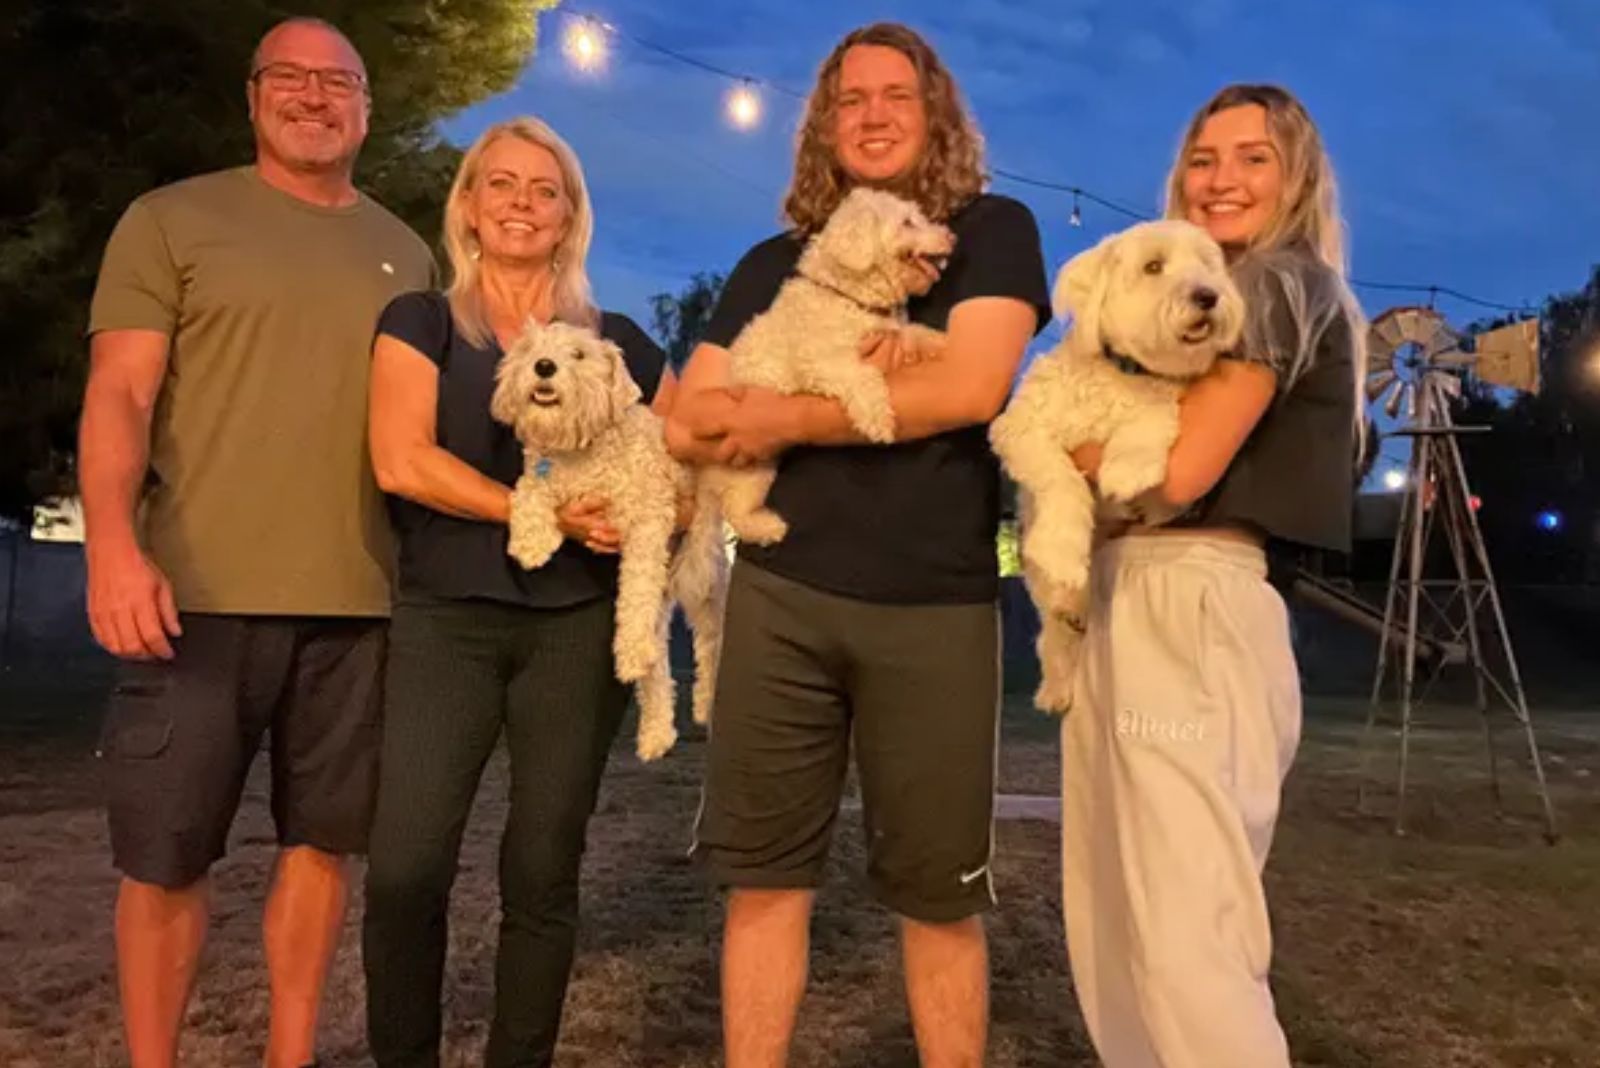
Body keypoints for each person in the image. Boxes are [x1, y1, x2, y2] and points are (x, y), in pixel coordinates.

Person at [666, 22, 1049, 1068]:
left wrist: (781, 415)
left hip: (935, 604)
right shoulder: (771, 264)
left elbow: (970, 388)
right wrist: (876, 386)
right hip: (783, 597)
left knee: (936, 896)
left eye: (896, 96)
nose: (872, 115)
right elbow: (686, 419)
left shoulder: (991, 232)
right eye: (850, 100)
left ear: (935, 116)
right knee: (763, 880)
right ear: (824, 129)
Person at [79, 17, 434, 1068]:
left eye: (340, 83)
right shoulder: (171, 221)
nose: (315, 97)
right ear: (253, 94)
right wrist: (110, 545)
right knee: (164, 859)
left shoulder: (406, 252)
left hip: (361, 604)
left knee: (323, 851)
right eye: (292, 76)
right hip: (192, 599)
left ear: (366, 109)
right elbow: (120, 390)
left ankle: (291, 1055)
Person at [1060, 84, 1365, 1068]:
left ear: (1296, 177)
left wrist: (1049, 449)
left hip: (1193, 593)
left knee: (1188, 936)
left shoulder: (1276, 283)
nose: (1220, 180)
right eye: (1203, 158)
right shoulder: (1179, 303)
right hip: (1121, 599)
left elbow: (1174, 473)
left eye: (1252, 157)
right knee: (1114, 923)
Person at [360, 116, 673, 1068]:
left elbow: (677, 464)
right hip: (446, 620)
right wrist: (534, 511)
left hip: (575, 628)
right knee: (407, 868)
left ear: (570, 215)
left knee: (542, 869)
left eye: (546, 190)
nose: (523, 205)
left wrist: (650, 515)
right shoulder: (419, 322)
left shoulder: (616, 345)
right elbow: (401, 459)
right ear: (468, 205)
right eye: (502, 185)